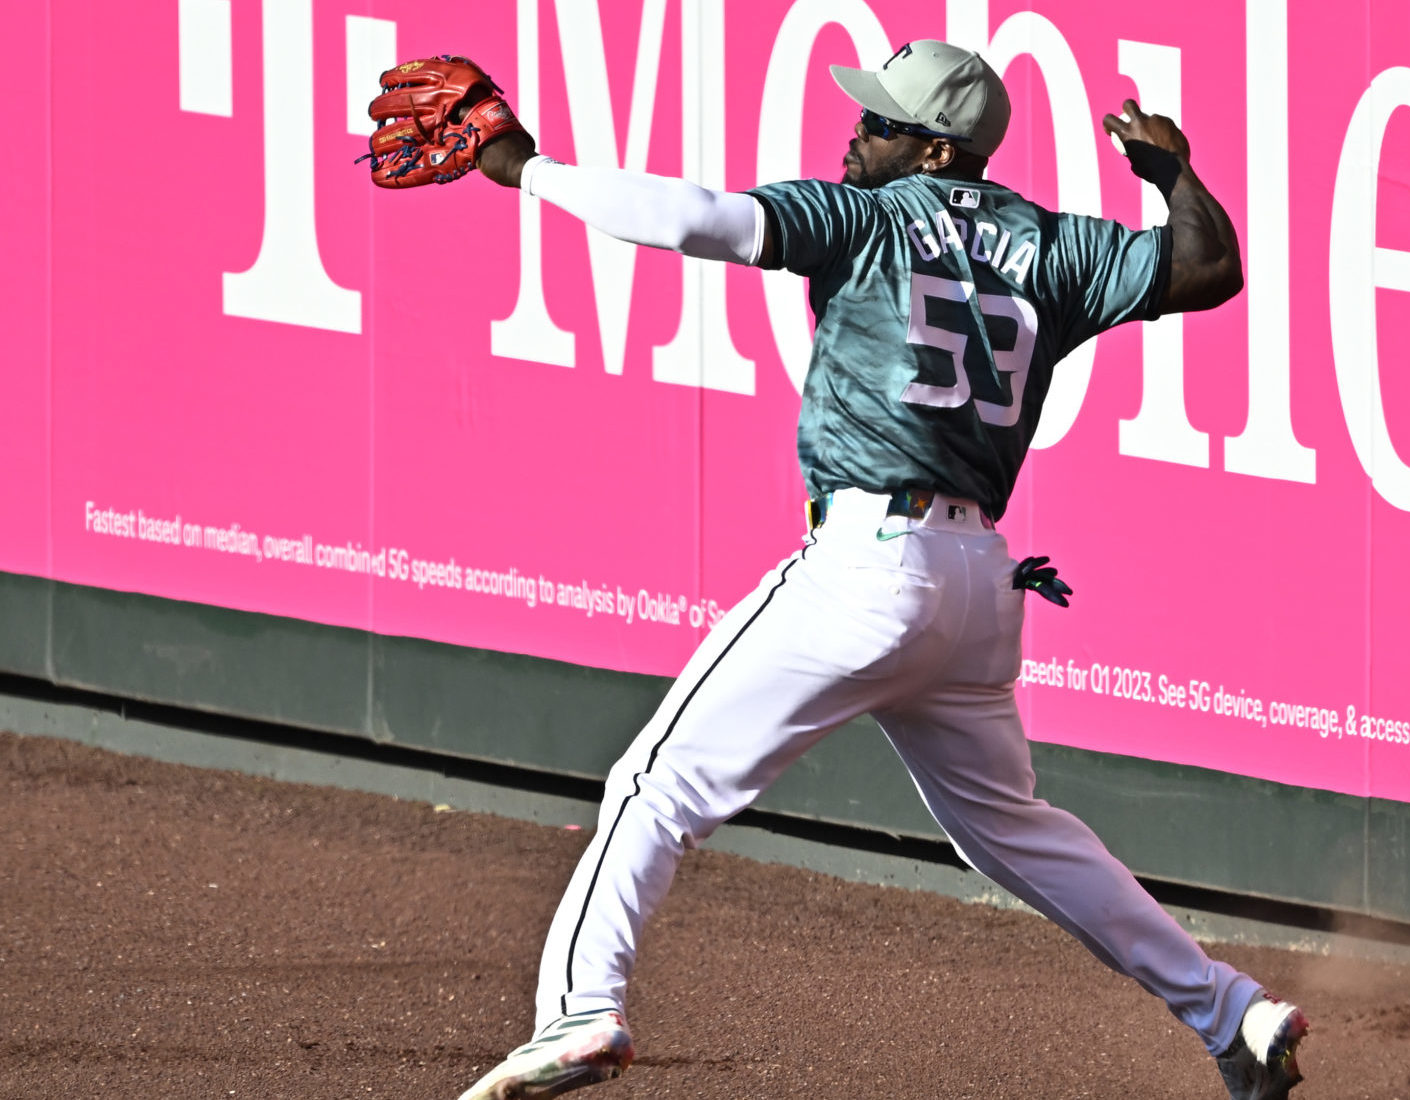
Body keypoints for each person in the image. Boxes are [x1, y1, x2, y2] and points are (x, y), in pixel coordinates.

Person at [443, 39, 1308, 1100]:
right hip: (977, 586)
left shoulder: (865, 217)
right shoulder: (1053, 244)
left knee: (653, 784)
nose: (856, 133)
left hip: (866, 564)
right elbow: (1208, 267)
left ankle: (581, 1008)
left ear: (933, 147)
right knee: (1016, 831)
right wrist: (1174, 172)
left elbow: (693, 219)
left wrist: (524, 167)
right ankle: (1232, 1011)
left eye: (879, 123)